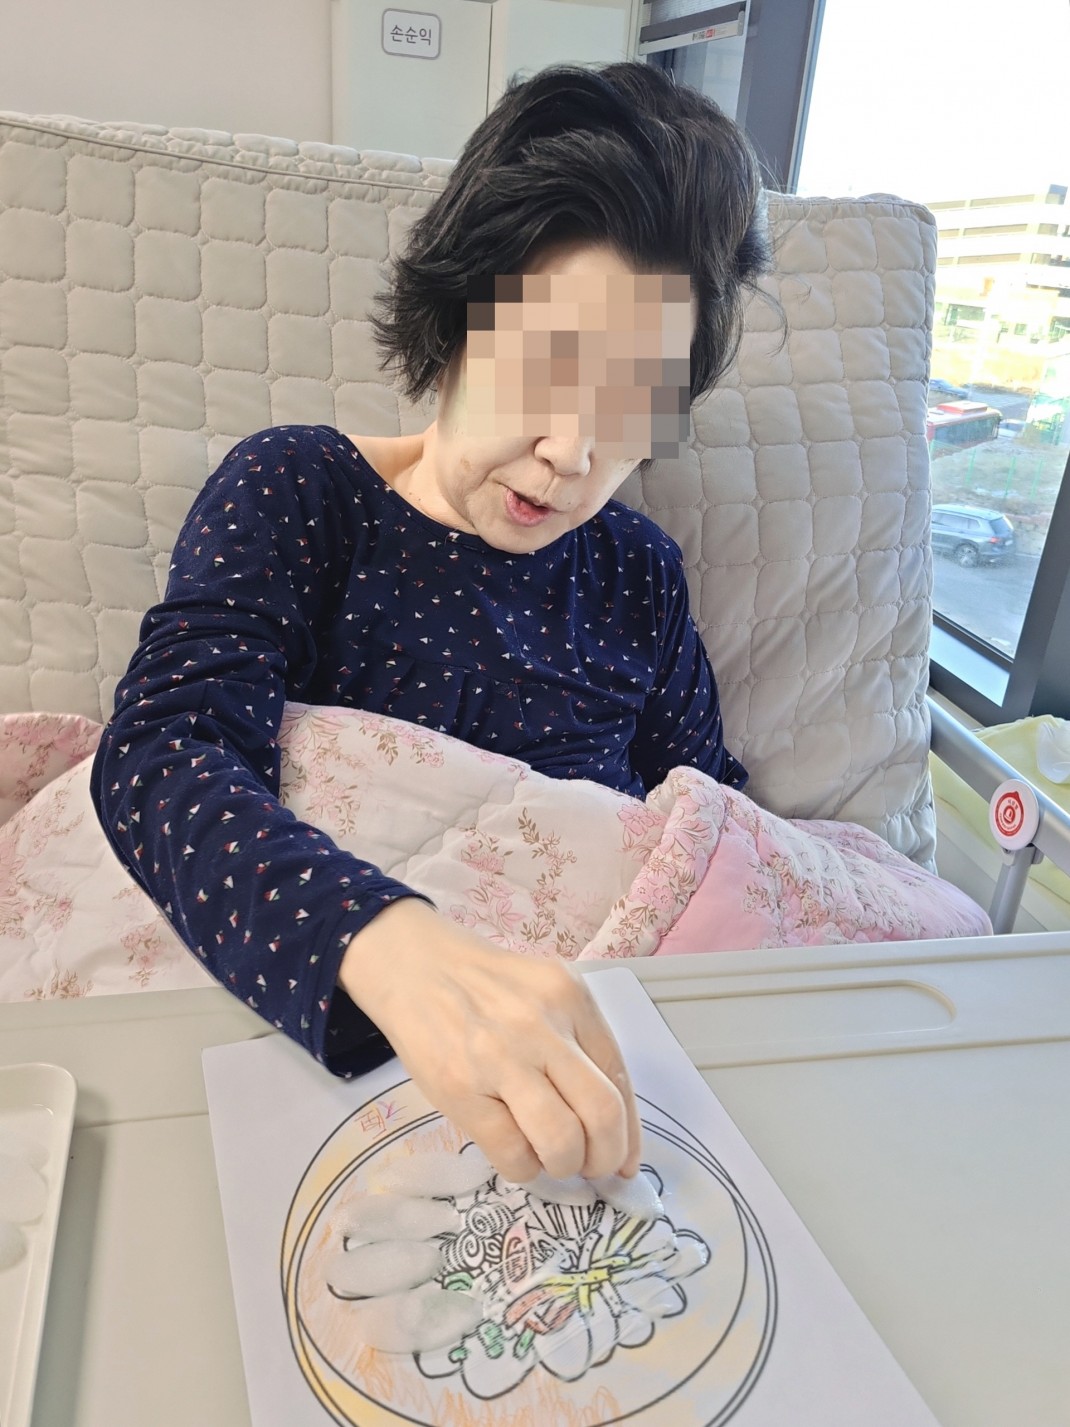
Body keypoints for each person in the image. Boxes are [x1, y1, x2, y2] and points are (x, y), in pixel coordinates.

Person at [90, 61, 769, 1187]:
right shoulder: (300, 492)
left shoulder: (640, 575)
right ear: (455, 321)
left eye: (629, 407)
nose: (570, 453)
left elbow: (713, 827)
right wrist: (392, 948)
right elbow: (164, 751)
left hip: (602, 1092)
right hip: (330, 1058)